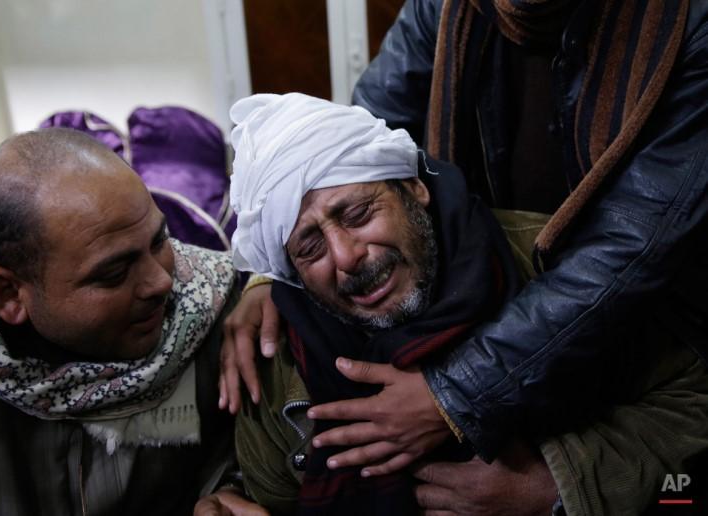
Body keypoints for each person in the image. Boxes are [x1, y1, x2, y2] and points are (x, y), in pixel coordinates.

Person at [220, 1, 708, 513]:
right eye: (310, 246)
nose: (346, 256)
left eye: (360, 214)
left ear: (415, 185)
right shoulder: (282, 346)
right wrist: (272, 275)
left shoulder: (689, 24)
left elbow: (634, 245)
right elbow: (350, 140)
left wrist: (556, 486)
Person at [0, 128, 240, 516]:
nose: (162, 282)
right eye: (114, 273)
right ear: (8, 294)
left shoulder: (228, 311)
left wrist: (233, 491)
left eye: (159, 241)